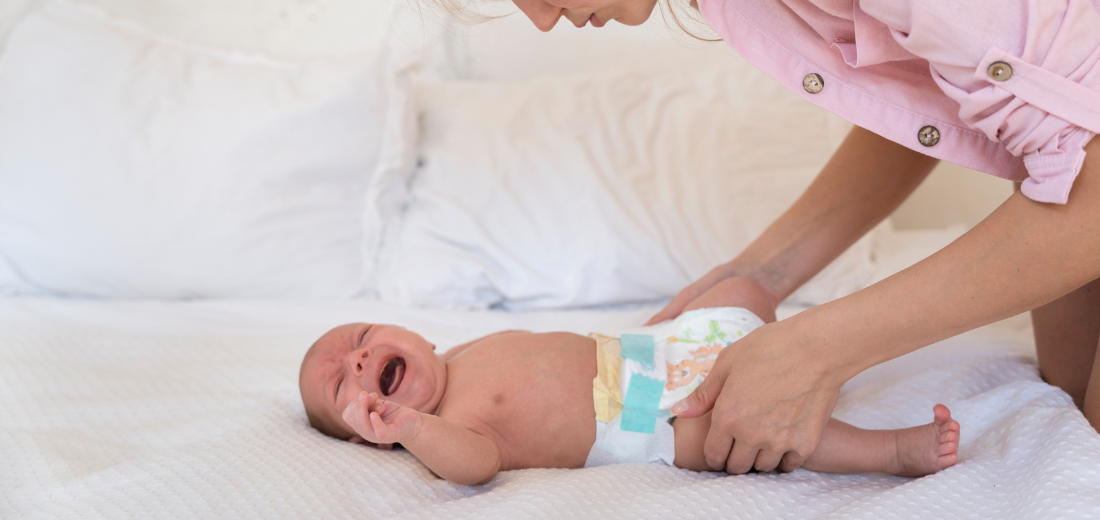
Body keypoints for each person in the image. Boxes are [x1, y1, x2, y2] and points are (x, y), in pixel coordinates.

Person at [370, 0, 1100, 474]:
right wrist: (758, 272)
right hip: (1074, 163)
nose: (539, 19)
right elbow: (932, 94)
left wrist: (821, 347)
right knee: (1065, 419)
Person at [299, 278, 961, 485]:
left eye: (361, 340)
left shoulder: (466, 348)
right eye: (342, 384)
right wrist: (413, 429)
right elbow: (476, 466)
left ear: (416, 337)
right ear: (369, 433)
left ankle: (833, 351)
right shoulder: (449, 426)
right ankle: (892, 451)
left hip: (647, 350)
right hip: (637, 420)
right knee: (737, 427)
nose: (357, 362)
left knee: (739, 288)